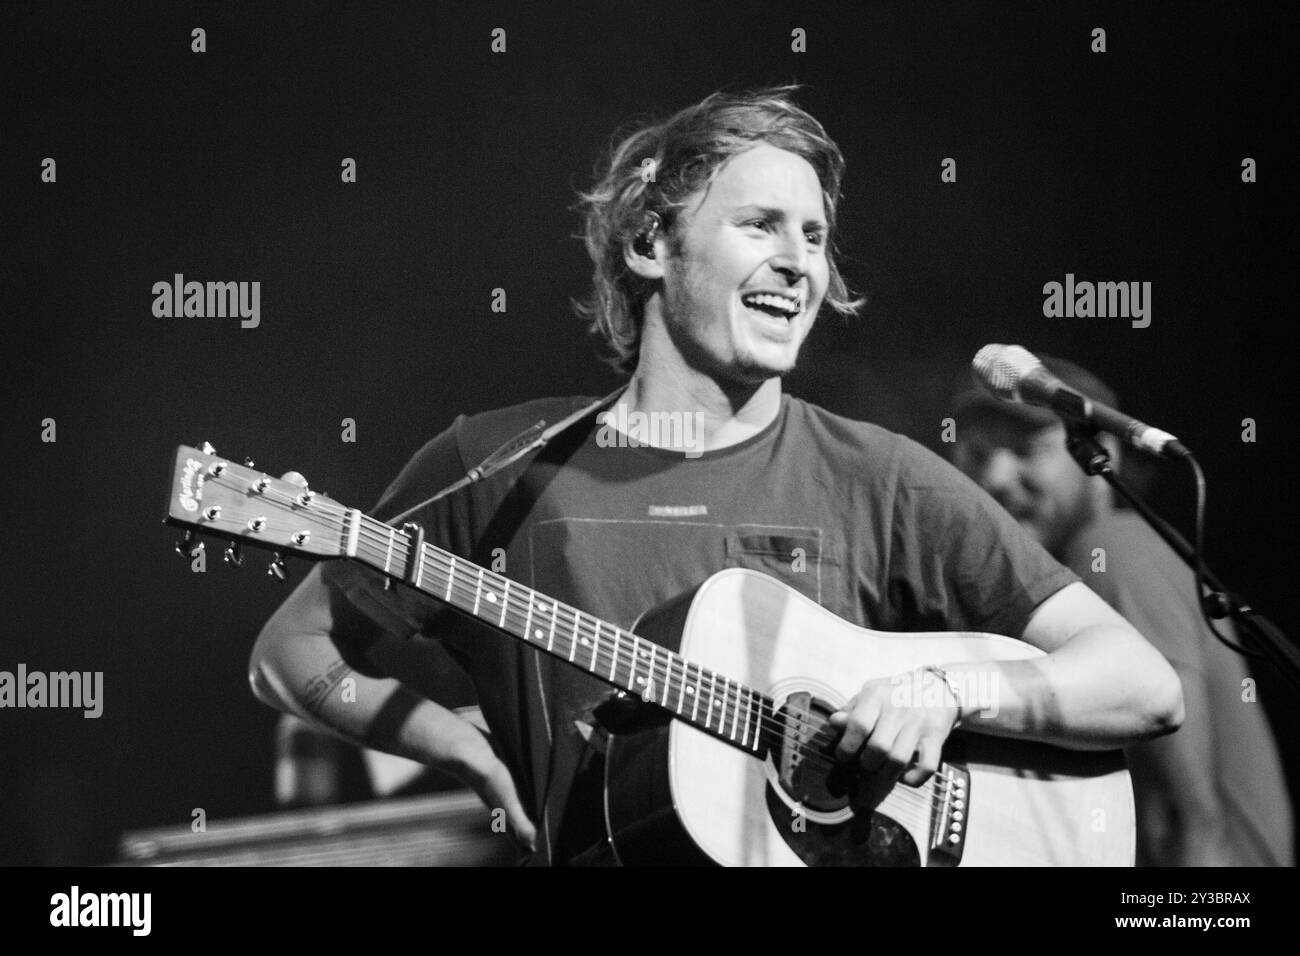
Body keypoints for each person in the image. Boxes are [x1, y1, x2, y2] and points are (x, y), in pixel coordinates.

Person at [249, 87, 1183, 865]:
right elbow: (293, 653)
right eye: (761, 225)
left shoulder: (882, 477)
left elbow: (1142, 684)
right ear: (651, 244)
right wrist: (454, 745)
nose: (800, 262)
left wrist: (947, 691)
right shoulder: (495, 468)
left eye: (815, 236)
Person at [950, 356, 1294, 865]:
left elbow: (1186, 815)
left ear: (1098, 455)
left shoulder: (1112, 548)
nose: (997, 476)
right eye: (977, 454)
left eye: (1027, 449)